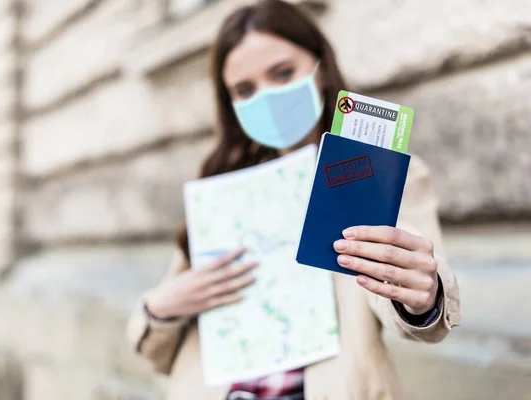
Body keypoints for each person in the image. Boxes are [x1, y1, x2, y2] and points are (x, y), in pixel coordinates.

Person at [127, 1, 461, 399]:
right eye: (245, 89)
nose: (267, 98)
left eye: (283, 73)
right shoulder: (225, 192)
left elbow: (416, 308)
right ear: (230, 103)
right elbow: (156, 351)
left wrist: (423, 296)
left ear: (319, 67)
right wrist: (160, 308)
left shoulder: (377, 173)